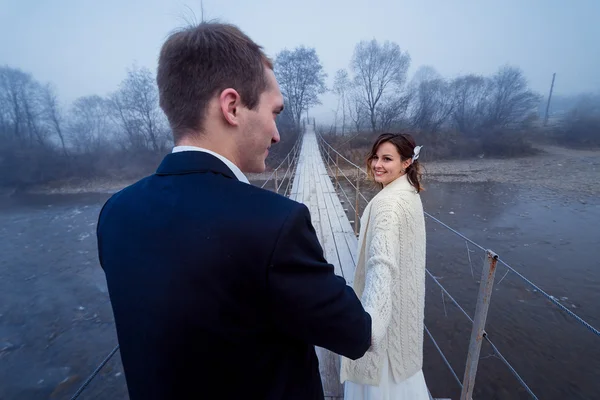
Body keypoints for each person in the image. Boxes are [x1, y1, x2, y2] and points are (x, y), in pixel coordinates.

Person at [96, 22, 372, 400]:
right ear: (232, 107)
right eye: (274, 112)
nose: (277, 134)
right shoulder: (276, 225)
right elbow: (355, 333)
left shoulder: (115, 213)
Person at [340, 133, 428, 399]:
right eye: (376, 157)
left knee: (380, 383)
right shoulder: (409, 193)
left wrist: (368, 327)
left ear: (406, 163)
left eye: (387, 158)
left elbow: (382, 264)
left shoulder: (388, 204)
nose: (377, 164)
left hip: (383, 320)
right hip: (404, 309)